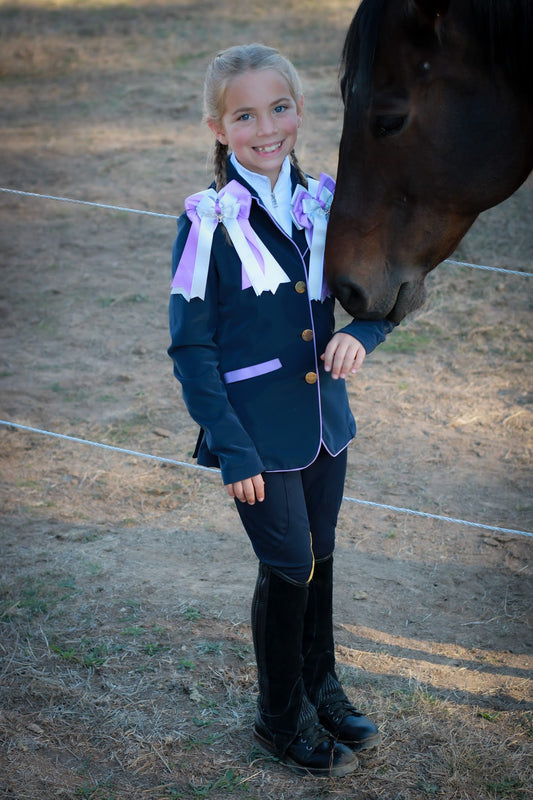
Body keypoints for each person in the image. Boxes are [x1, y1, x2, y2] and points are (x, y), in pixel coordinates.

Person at [168, 43, 394, 778]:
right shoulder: (208, 222)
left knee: (320, 555)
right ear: (216, 126)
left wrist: (361, 332)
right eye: (244, 115)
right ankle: (276, 717)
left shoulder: (326, 202)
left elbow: (383, 290)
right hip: (256, 434)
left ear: (299, 110)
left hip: (327, 422)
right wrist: (230, 449)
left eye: (279, 107)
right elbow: (191, 349)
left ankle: (321, 691)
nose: (265, 127)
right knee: (287, 560)